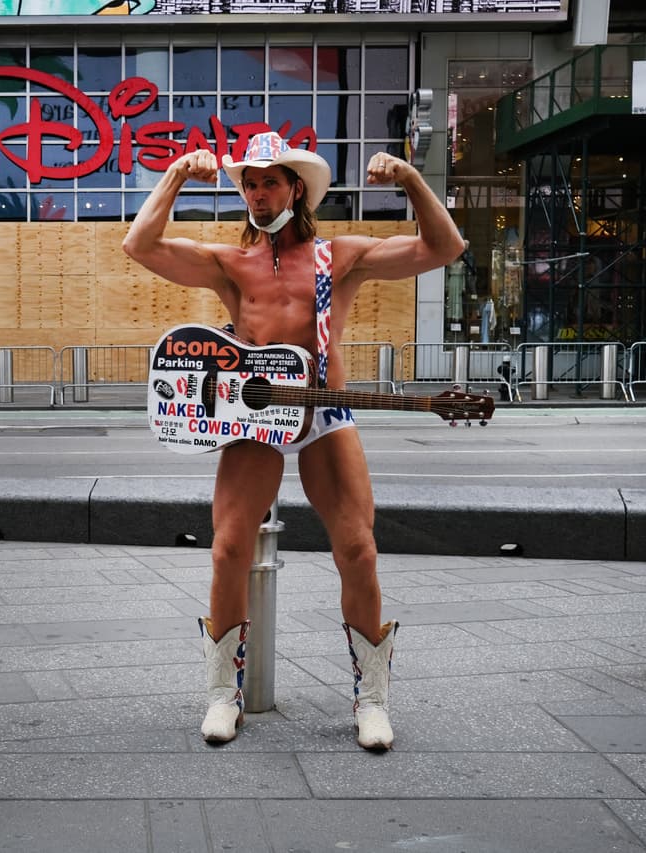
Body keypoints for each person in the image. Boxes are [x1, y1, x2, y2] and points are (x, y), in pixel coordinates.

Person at [122, 132, 463, 751]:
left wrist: (412, 181)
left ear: (295, 188)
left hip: (325, 414)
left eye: (268, 182)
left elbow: (446, 248)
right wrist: (175, 173)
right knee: (228, 549)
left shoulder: (341, 256)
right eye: (248, 184)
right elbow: (138, 244)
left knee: (357, 549)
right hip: (255, 421)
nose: (256, 194)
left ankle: (372, 701)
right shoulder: (231, 264)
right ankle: (223, 695)